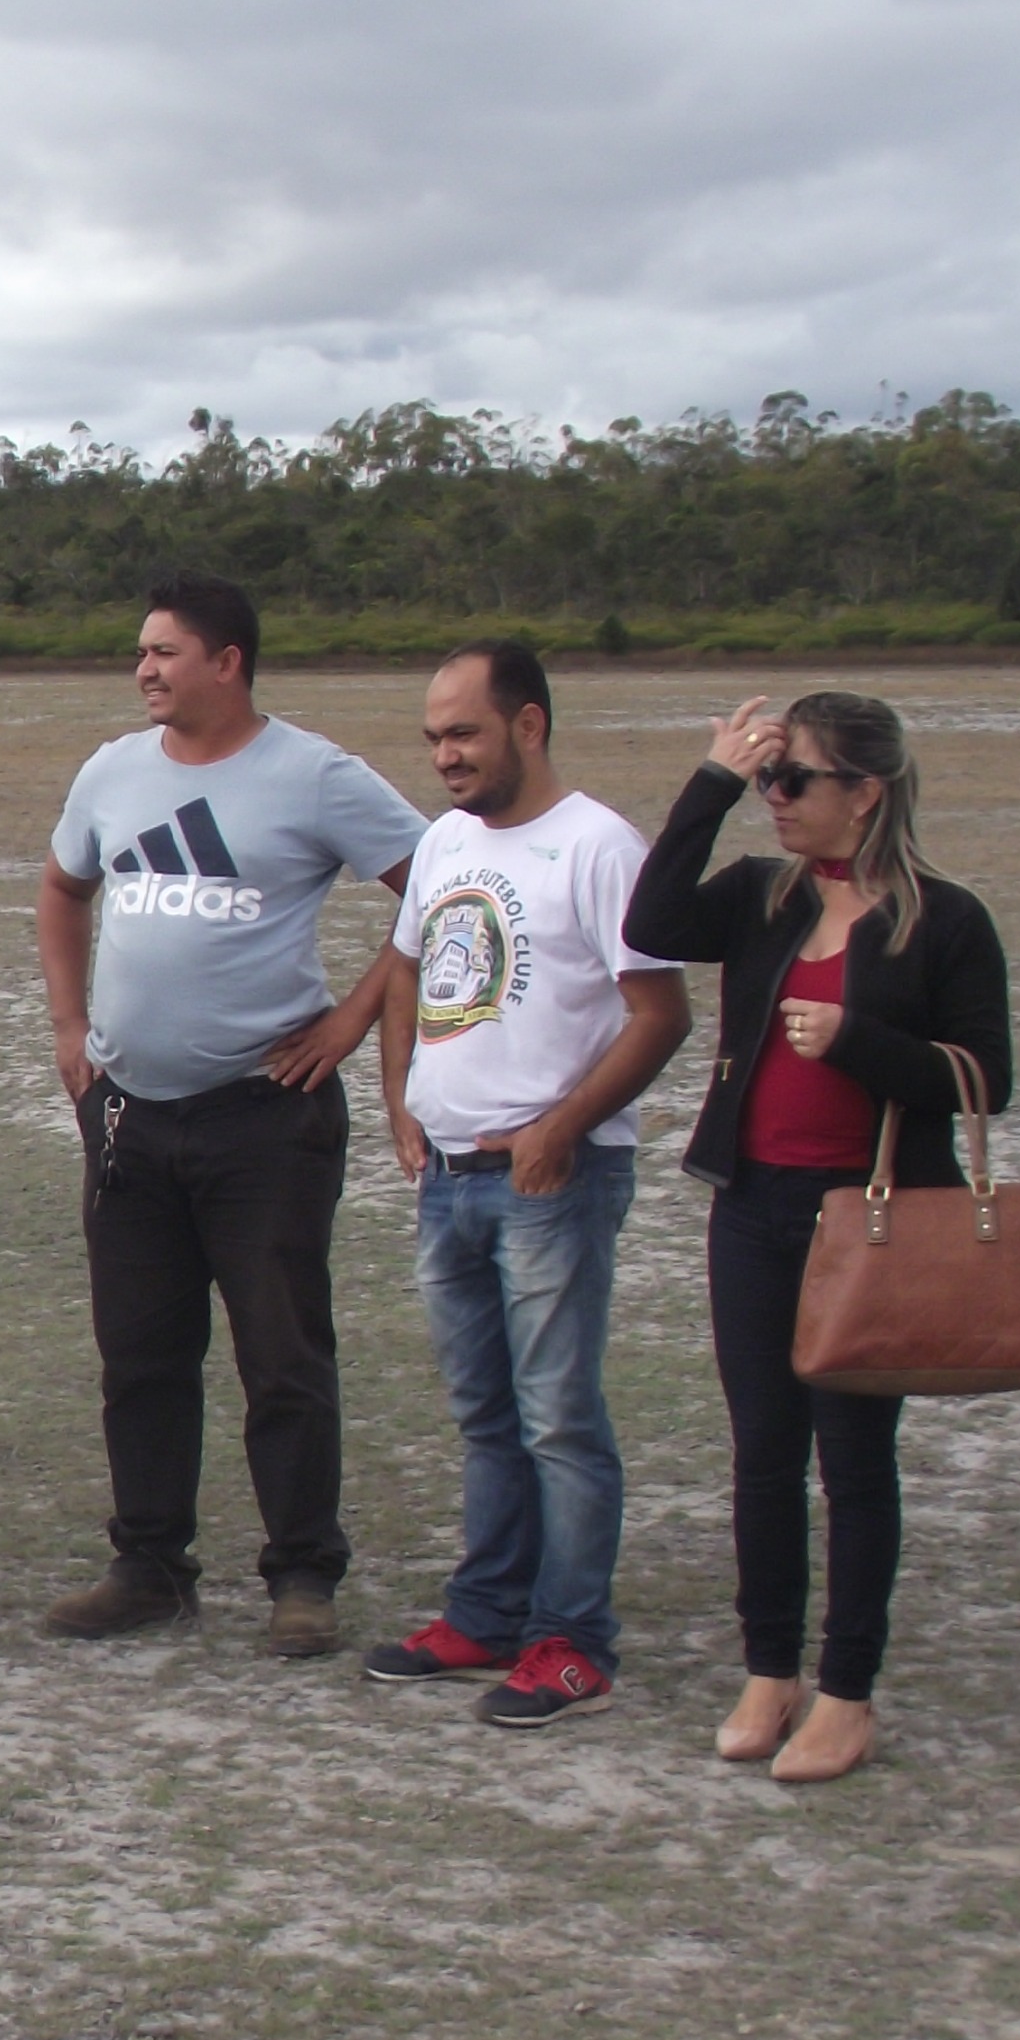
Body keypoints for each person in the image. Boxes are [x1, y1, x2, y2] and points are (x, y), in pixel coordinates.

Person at [624, 691, 1013, 1785]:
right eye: (767, 779)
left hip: (870, 1226)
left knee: (853, 1461)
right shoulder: (762, 896)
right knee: (762, 1453)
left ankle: (846, 1692)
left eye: (793, 780)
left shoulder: (945, 921)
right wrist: (710, 781)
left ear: (866, 792)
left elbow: (987, 1078)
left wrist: (856, 1041)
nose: (776, 799)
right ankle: (768, 1671)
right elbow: (652, 922)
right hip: (752, 1209)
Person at [34, 574, 424, 1657]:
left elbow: (443, 884)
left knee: (280, 1355)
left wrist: (350, 1019)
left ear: (228, 662)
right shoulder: (111, 771)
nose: (144, 670)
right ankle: (149, 1566)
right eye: (140, 652)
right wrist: (68, 1027)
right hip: (127, 1117)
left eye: (164, 651)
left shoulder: (312, 774)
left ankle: (301, 1574)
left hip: (265, 1118)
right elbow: (62, 889)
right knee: (140, 1355)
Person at [352, 645, 688, 1725]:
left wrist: (561, 1128)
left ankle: (571, 1640)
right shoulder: (443, 842)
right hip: (447, 1179)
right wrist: (399, 1097)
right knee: (485, 1414)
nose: (445, 757)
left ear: (529, 726)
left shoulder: (598, 848)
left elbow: (660, 1014)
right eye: (433, 739)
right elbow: (407, 970)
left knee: (558, 1420)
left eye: (464, 734)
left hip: (552, 1180)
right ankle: (488, 1613)